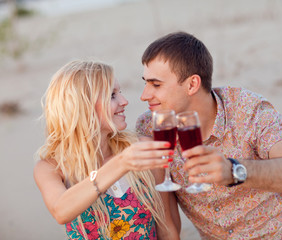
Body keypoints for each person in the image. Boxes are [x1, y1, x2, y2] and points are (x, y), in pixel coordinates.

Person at [136, 31, 282, 239]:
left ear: (192, 84)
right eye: (146, 83)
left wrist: (234, 171)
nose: (145, 95)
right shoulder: (151, 129)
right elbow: (168, 225)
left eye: (156, 84)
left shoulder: (244, 107)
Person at [34, 60, 180, 240]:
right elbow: (61, 211)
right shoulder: (51, 168)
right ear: (83, 107)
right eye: (112, 95)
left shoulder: (141, 150)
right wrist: (121, 163)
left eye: (120, 92)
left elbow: (167, 231)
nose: (124, 101)